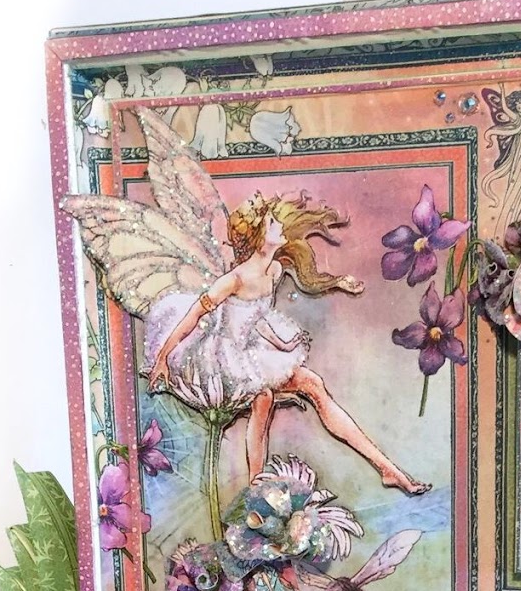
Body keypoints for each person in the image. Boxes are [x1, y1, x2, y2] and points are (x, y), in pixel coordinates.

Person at [148, 191, 427, 493]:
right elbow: (194, 314)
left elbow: (256, 319)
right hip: (224, 359)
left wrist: (284, 343)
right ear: (258, 237)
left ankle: (386, 468)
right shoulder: (235, 279)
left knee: (306, 387)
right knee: (266, 397)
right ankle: (256, 490)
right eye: (272, 223)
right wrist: (163, 357)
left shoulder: (274, 270)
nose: (280, 226)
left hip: (254, 352)